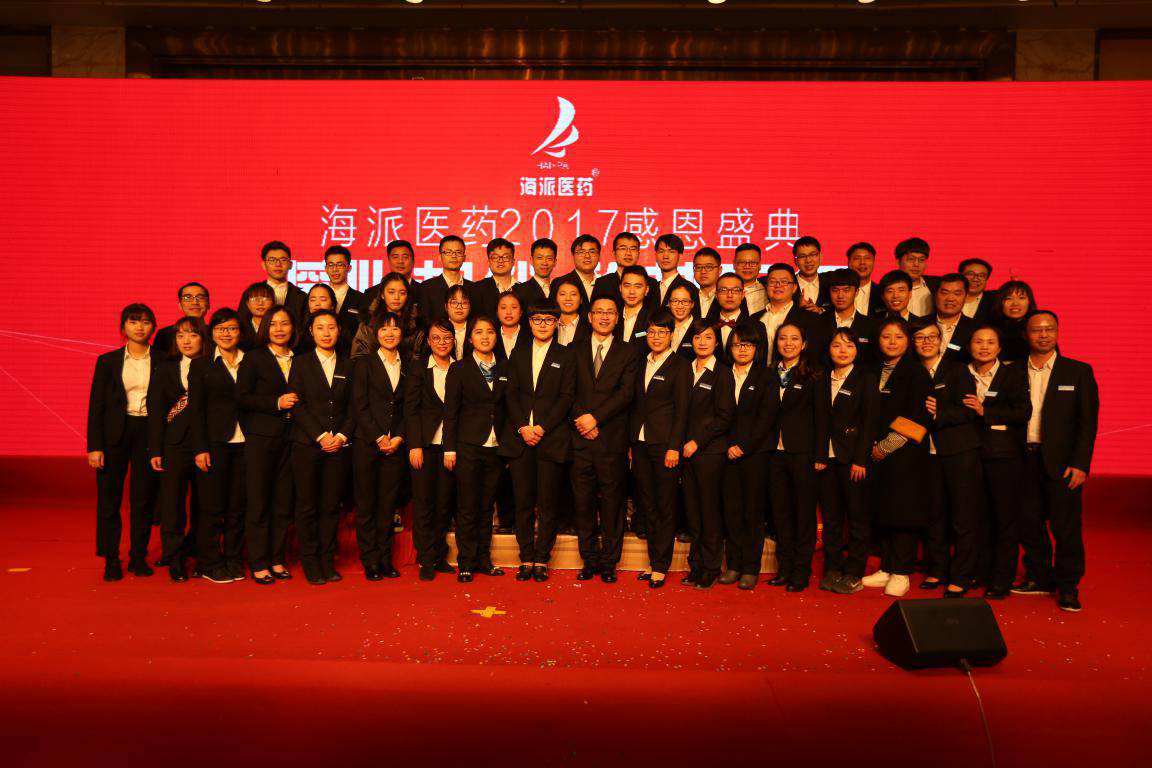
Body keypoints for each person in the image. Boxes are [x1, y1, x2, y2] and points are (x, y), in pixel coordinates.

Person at [1014, 311, 1098, 613]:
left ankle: (1068, 586)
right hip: (1022, 459)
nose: (1043, 334)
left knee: (1065, 528)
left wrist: (1081, 464)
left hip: (1062, 463)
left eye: (1049, 329)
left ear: (1058, 332)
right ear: (1026, 334)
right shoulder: (1012, 370)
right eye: (1037, 330)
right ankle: (1038, 576)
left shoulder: (1077, 371)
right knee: (1028, 523)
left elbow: (1087, 423)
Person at [500, 299, 576, 583]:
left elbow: (567, 397)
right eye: (537, 320)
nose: (542, 325)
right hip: (521, 439)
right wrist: (523, 427)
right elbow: (510, 394)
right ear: (529, 323)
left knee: (547, 503)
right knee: (522, 502)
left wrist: (542, 427)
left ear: (556, 324)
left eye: (548, 320)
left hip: (551, 438)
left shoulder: (565, 355)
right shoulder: (518, 353)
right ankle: (526, 557)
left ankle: (542, 558)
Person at [860, 318, 933, 597]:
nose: (892, 342)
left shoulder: (916, 372)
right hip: (874, 451)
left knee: (903, 512)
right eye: (886, 336)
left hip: (904, 454)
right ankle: (887, 567)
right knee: (883, 509)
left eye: (898, 337)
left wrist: (886, 445)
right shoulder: (871, 369)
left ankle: (902, 572)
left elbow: (918, 415)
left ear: (908, 341)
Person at [88, 303, 161, 581]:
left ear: (153, 327)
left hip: (148, 432)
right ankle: (110, 558)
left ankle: (138, 556)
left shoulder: (164, 359)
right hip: (114, 435)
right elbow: (97, 405)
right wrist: (94, 446)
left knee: (143, 498)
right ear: (123, 327)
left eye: (145, 321)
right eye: (133, 321)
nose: (139, 327)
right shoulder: (107, 361)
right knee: (109, 500)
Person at [914, 321, 984, 597]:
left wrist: (938, 414)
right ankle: (938, 569)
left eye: (932, 337)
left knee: (962, 517)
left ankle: (962, 575)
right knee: (935, 515)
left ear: (941, 340)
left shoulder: (957, 370)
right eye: (920, 337)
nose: (926, 342)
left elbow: (968, 411)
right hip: (927, 454)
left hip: (959, 452)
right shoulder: (913, 372)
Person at [570, 295, 638, 583]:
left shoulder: (628, 351)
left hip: (612, 440)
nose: (604, 316)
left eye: (610, 312)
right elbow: (566, 391)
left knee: (613, 504)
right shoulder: (573, 349)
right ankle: (589, 559)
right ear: (589, 317)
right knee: (583, 503)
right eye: (599, 312)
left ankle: (609, 561)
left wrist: (595, 418)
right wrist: (583, 420)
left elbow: (626, 393)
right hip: (580, 440)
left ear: (617, 318)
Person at [964, 325, 1031, 600]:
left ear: (999, 348)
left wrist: (985, 411)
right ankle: (980, 570)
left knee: (1004, 519)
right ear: (969, 346)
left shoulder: (1013, 375)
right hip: (969, 453)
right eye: (978, 342)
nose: (984, 347)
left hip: (1003, 456)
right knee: (977, 518)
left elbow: (1023, 412)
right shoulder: (960, 373)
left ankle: (1002, 579)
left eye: (990, 342)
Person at [288, 309, 354, 586]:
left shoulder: (349, 364)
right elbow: (297, 404)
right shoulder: (300, 363)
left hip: (339, 446)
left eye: (331, 327)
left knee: (331, 507)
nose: (326, 333)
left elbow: (354, 406)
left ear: (339, 331)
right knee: (307, 506)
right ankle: (310, 560)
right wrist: (320, 436)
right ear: (311, 332)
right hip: (307, 445)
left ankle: (327, 559)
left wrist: (341, 436)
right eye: (320, 327)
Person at [236, 306, 298, 585]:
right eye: (273, 324)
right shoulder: (254, 358)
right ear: (265, 328)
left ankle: (277, 559)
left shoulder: (301, 358)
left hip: (293, 438)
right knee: (259, 502)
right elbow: (242, 397)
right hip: (262, 439)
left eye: (285, 323)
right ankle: (259, 562)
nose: (279, 329)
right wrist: (276, 403)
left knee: (283, 503)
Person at [629, 309, 691, 589]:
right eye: (652, 332)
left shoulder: (680, 366)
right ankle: (654, 560)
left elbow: (682, 410)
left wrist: (674, 447)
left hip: (666, 445)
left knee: (665, 505)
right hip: (641, 443)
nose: (656, 337)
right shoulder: (641, 362)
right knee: (648, 505)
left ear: (671, 335)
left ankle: (661, 565)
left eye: (662, 332)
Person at [443, 316, 507, 583]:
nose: (485, 336)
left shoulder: (505, 366)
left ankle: (483, 559)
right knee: (467, 507)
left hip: (495, 447)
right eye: (479, 332)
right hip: (467, 446)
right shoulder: (459, 368)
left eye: (490, 332)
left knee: (486, 507)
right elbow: (451, 411)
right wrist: (449, 449)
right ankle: (466, 561)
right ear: (470, 339)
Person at [766, 322, 828, 592]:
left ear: (804, 344)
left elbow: (822, 417)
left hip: (803, 453)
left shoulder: (814, 374)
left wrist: (820, 454)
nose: (788, 343)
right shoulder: (769, 373)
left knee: (803, 515)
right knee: (780, 514)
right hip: (774, 453)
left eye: (794, 339)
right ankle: (785, 568)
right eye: (783, 338)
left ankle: (801, 571)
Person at [189, 308, 248, 585]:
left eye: (232, 328)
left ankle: (233, 559)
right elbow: (196, 411)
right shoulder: (201, 366)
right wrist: (200, 448)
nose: (227, 334)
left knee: (237, 508)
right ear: (211, 333)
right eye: (221, 329)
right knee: (212, 508)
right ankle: (209, 562)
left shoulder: (251, 361)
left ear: (240, 332)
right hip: (214, 445)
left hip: (246, 444)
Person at [148, 315, 207, 582]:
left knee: (203, 504)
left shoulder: (213, 366)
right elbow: (156, 411)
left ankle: (200, 553)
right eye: (180, 335)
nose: (186, 341)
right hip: (174, 445)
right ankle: (174, 557)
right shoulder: (165, 369)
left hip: (206, 445)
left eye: (193, 335)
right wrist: (155, 449)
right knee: (172, 504)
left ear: (203, 338)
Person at [816, 329, 876, 595]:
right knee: (831, 519)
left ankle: (854, 572)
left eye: (849, 345)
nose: (842, 350)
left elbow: (870, 421)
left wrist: (860, 459)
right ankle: (833, 569)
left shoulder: (865, 378)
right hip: (826, 459)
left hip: (853, 460)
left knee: (857, 518)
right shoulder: (822, 377)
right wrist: (819, 455)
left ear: (857, 350)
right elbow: (818, 420)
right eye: (837, 345)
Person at [718, 322, 775, 589]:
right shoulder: (722, 374)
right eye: (737, 344)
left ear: (757, 348)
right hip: (725, 452)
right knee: (731, 511)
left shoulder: (766, 376)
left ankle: (751, 567)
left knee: (752, 512)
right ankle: (734, 564)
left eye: (748, 344)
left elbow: (767, 418)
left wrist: (743, 446)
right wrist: (728, 445)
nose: (742, 349)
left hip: (755, 454)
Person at [351, 312, 407, 582]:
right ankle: (370, 560)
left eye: (395, 329)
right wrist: (378, 436)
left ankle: (385, 558)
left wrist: (399, 436)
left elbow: (410, 407)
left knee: (387, 506)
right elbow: (359, 404)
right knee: (366, 505)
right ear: (376, 334)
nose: (390, 333)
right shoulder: (364, 363)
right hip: (367, 444)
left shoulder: (409, 365)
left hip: (395, 446)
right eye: (384, 329)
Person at [680, 319, 734, 589]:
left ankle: (711, 567)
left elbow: (724, 416)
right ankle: (696, 564)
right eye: (698, 337)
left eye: (708, 337)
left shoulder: (722, 373)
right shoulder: (684, 369)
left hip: (710, 452)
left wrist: (697, 442)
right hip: (685, 452)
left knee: (709, 511)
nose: (702, 342)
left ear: (716, 342)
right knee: (693, 512)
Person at [404, 318, 458, 581]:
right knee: (424, 503)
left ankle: (439, 555)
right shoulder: (418, 369)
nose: (442, 343)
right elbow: (411, 409)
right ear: (428, 341)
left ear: (454, 341)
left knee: (444, 504)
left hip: (450, 448)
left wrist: (453, 447)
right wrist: (414, 444)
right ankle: (425, 558)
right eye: (436, 338)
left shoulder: (460, 368)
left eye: (447, 338)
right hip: (424, 446)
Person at [812, 268, 878, 369]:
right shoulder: (817, 322)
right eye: (835, 290)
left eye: (846, 290)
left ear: (856, 292)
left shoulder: (871, 325)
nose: (840, 295)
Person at [351, 272, 424, 361]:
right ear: (382, 295)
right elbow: (357, 357)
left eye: (402, 293)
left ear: (407, 296)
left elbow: (419, 359)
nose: (396, 297)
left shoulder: (416, 325)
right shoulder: (368, 322)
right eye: (391, 292)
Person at [238, 241, 307, 328]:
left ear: (290, 265)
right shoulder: (251, 293)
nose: (278, 264)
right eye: (272, 260)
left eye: (283, 260)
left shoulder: (301, 296)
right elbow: (242, 323)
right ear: (264, 265)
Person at [592, 231, 659, 312]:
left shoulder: (652, 283)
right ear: (614, 253)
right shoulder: (602, 283)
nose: (628, 253)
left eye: (633, 249)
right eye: (623, 248)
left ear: (638, 254)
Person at [752, 263, 813, 349]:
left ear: (794, 288)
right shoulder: (754, 319)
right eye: (772, 282)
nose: (778, 285)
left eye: (784, 282)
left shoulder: (810, 319)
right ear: (766, 287)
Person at [360, 239, 423, 320]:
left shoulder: (423, 292)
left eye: (405, 257)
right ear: (389, 261)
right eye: (395, 257)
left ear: (413, 261)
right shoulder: (371, 293)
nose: (400, 261)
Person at [154, 282, 210, 360]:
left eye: (200, 297)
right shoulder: (164, 334)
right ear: (180, 305)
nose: (194, 302)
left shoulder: (218, 333)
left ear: (208, 304)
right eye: (188, 298)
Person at [422, 235, 471, 323]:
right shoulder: (427, 287)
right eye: (448, 252)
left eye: (458, 252)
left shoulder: (474, 288)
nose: (454, 256)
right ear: (440, 257)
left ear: (464, 257)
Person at [298, 283, 354, 356]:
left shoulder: (344, 333)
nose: (317, 304)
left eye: (323, 299)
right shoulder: (301, 330)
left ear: (332, 305)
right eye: (312, 300)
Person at [932, 273, 977, 362]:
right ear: (935, 295)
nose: (950, 298)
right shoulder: (920, 324)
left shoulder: (976, 329)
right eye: (944, 293)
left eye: (957, 294)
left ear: (966, 297)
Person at [471, 238, 518, 319]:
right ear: (489, 262)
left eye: (505, 257)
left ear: (513, 261)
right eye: (495, 257)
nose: (500, 261)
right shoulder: (476, 289)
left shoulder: (524, 290)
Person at [991, 280, 1037, 362]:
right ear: (1000, 302)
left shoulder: (1038, 327)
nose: (1015, 303)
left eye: (1021, 298)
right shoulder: (991, 329)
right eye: (1008, 298)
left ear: (1029, 302)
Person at [894, 237, 938, 317]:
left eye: (921, 260)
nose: (916, 264)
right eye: (911, 259)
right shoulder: (887, 288)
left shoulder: (936, 285)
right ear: (898, 262)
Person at [555, 234, 601, 309]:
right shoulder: (559, 283)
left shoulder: (605, 284)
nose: (587, 256)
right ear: (573, 255)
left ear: (599, 256)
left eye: (592, 252)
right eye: (581, 252)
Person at [654, 234, 698, 312]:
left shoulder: (689, 288)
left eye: (671, 252)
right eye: (661, 251)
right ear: (656, 255)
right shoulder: (651, 287)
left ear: (680, 256)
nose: (665, 256)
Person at [514, 238, 558, 310]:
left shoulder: (559, 289)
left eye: (549, 258)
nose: (544, 263)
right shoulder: (520, 290)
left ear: (555, 262)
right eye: (539, 258)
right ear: (531, 260)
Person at [323, 245, 364, 324]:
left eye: (340, 265)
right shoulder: (317, 297)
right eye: (331, 265)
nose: (335, 269)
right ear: (326, 268)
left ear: (349, 268)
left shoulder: (361, 298)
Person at [615, 265, 653, 345]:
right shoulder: (612, 315)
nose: (632, 291)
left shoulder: (653, 318)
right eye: (627, 286)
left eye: (638, 287)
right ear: (620, 288)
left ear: (646, 290)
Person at [713, 273, 749, 354]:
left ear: (743, 294)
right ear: (716, 295)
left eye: (736, 290)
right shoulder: (708, 325)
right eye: (723, 290)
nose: (729, 295)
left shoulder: (756, 326)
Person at [847, 242, 885, 317]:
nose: (862, 262)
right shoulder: (837, 292)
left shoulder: (882, 292)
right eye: (857, 258)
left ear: (874, 262)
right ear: (849, 262)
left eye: (867, 258)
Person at [792, 236, 828, 312]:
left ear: (820, 256)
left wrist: (820, 311)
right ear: (795, 261)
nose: (808, 260)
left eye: (813, 254)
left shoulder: (830, 282)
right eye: (802, 256)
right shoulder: (787, 285)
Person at [494, 290, 531, 363]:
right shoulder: (491, 336)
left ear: (521, 312)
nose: (508, 312)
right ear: (497, 312)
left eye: (514, 307)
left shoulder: (531, 335)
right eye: (503, 308)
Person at [552, 275, 589, 346]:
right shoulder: (549, 325)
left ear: (581, 299)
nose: (568, 298)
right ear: (556, 298)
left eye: (573, 294)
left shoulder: (590, 328)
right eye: (563, 294)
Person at [238, 282, 275, 349]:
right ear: (247, 304)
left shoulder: (278, 326)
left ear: (273, 303)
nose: (260, 303)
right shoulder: (239, 327)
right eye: (255, 299)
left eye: (265, 298)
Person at [959, 258, 997, 324]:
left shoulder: (995, 300)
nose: (975, 279)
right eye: (970, 274)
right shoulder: (946, 298)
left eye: (982, 276)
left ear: (986, 280)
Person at [733, 243, 766, 314]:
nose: (747, 266)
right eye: (742, 262)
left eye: (753, 262)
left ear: (760, 265)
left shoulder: (768, 288)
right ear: (734, 264)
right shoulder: (722, 289)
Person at [667, 284, 697, 360]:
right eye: (675, 301)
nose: (680, 306)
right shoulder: (663, 326)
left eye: (685, 301)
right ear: (669, 304)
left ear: (692, 304)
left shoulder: (699, 328)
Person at [692, 247, 723, 321]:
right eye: (698, 267)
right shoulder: (688, 297)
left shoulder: (726, 296)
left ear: (720, 270)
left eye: (709, 267)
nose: (703, 271)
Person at [444, 284, 473, 361]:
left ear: (470, 307)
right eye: (454, 303)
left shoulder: (476, 328)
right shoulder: (439, 329)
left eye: (464, 303)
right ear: (446, 306)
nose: (459, 307)